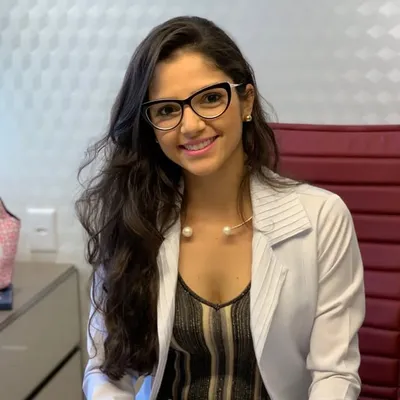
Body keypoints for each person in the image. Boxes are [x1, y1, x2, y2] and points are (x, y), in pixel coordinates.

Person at [76, 15, 365, 400]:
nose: (191, 125)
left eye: (210, 98)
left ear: (246, 101)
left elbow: (335, 375)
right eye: (167, 110)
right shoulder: (133, 218)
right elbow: (105, 369)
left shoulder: (322, 218)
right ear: (151, 127)